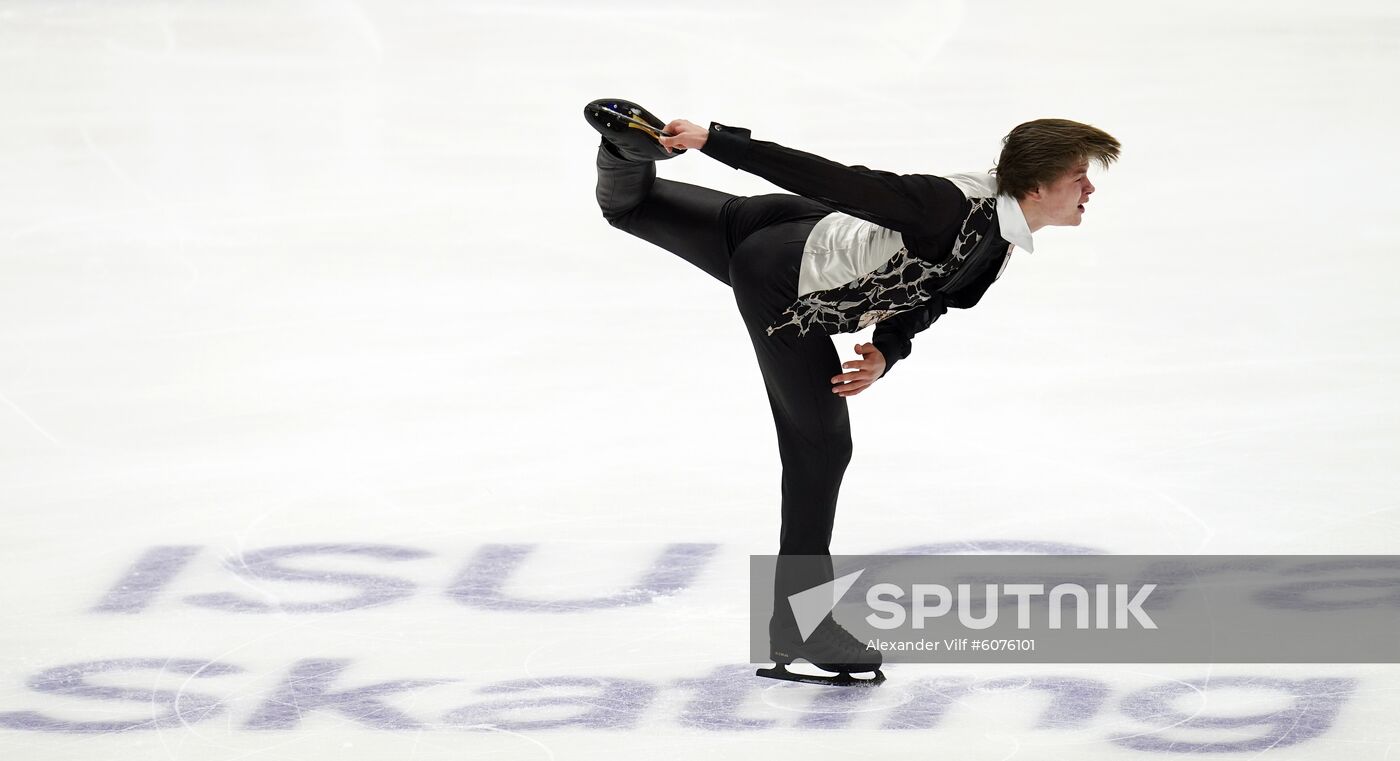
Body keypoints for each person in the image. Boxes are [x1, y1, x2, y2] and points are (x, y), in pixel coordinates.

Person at [584, 98, 1120, 686]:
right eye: (1078, 177)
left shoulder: (1001, 233)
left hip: (794, 227)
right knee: (820, 448)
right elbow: (837, 179)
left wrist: (887, 350)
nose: (1089, 189)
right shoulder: (947, 205)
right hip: (784, 284)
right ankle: (800, 623)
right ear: (1036, 188)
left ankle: (622, 151)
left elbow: (933, 294)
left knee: (632, 207)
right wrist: (717, 141)